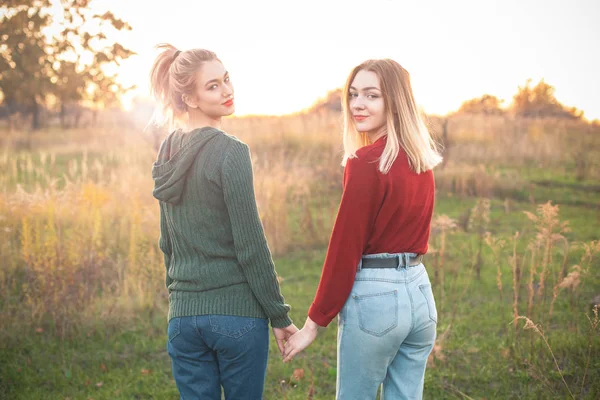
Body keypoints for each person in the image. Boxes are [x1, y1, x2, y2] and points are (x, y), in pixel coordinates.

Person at [283, 59, 442, 400]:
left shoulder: (366, 162)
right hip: (420, 295)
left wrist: (314, 323)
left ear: (395, 102)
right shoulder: (421, 161)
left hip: (378, 300)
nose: (357, 104)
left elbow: (345, 247)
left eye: (371, 95)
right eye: (354, 94)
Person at [149, 43, 297, 400]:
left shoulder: (167, 151)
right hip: (236, 316)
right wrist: (278, 315)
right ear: (191, 99)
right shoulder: (231, 151)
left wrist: (181, 300)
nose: (227, 90)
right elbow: (250, 244)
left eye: (226, 79)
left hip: (182, 321)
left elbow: (167, 242)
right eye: (212, 86)